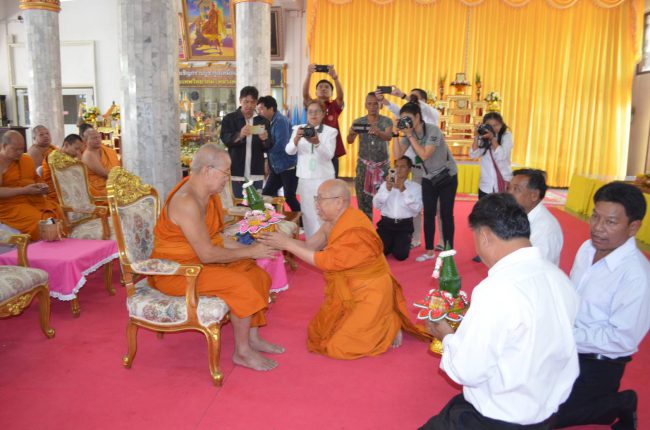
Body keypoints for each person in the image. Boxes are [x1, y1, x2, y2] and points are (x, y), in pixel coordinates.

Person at [422, 193, 580, 430]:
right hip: (543, 412)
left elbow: (467, 370)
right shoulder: (559, 279)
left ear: (485, 236)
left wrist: (446, 335)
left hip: (497, 417)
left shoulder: (497, 289)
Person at [258, 179, 429, 359]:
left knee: (339, 347)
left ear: (339, 202)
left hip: (370, 290)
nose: (316, 204)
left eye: (320, 199)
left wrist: (287, 244)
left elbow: (327, 261)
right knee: (320, 332)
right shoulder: (332, 222)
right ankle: (375, 319)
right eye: (316, 198)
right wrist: (279, 240)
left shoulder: (354, 228)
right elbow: (309, 246)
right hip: (349, 288)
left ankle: (390, 322)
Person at [149, 144, 282, 371]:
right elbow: (207, 253)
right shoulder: (186, 201)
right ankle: (242, 352)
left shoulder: (208, 196)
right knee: (241, 284)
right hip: (176, 272)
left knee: (255, 272)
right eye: (226, 172)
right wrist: (250, 251)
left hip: (198, 262)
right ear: (207, 170)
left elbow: (216, 238)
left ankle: (253, 338)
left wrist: (252, 249)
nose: (227, 179)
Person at [554, 182, 650, 430]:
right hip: (566, 349)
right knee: (519, 397)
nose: (597, 227)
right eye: (595, 216)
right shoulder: (587, 249)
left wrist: (565, 335)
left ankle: (619, 403)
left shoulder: (637, 276)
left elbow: (622, 340)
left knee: (542, 418)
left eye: (610, 222)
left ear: (633, 227)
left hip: (598, 364)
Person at [394, 103, 458, 262]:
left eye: (408, 118)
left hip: (447, 176)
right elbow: (397, 155)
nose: (406, 122)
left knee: (446, 214)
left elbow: (424, 154)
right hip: (428, 177)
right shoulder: (409, 134)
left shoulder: (433, 130)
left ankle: (448, 252)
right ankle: (429, 252)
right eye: (403, 119)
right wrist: (395, 135)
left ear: (417, 116)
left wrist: (409, 135)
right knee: (428, 214)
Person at [377, 86, 440, 249]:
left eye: (415, 99)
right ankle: (415, 239)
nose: (411, 101)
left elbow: (415, 108)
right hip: (417, 169)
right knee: (415, 204)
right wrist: (385, 102)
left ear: (424, 102)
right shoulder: (408, 125)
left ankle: (441, 241)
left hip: (435, 171)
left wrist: (404, 95)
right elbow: (399, 112)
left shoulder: (432, 118)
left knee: (437, 208)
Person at [285, 100, 337, 239]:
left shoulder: (330, 132)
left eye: (317, 112)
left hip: (324, 177)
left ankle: (325, 239)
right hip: (305, 177)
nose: (313, 115)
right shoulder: (298, 129)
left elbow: (329, 155)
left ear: (323, 114)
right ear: (306, 114)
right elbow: (289, 151)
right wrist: (296, 140)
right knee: (307, 210)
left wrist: (317, 143)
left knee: (324, 210)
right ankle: (311, 239)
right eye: (310, 112)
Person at [0, 131, 63, 240]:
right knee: (41, 222)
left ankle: (62, 246)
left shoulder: (26, 159)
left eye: (21, 149)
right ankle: (44, 249)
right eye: (16, 149)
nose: (20, 152)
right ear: (4, 146)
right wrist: (24, 190)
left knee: (57, 211)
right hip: (11, 206)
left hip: (34, 199)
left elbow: (35, 178)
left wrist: (42, 186)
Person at [469, 112, 513, 262]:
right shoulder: (483, 136)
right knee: (484, 218)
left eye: (496, 125)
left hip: (503, 182)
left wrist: (493, 139)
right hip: (486, 185)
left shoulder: (506, 136)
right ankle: (485, 249)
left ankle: (504, 249)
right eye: (490, 125)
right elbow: (473, 154)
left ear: (501, 124)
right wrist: (477, 136)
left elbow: (502, 156)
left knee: (503, 217)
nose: (493, 128)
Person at [347, 92, 393, 220]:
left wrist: (379, 133)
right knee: (363, 204)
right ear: (365, 105)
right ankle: (366, 229)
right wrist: (351, 133)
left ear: (380, 105)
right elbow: (349, 141)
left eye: (375, 104)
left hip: (383, 168)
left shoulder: (387, 121)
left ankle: (387, 228)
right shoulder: (359, 122)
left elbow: (389, 137)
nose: (372, 107)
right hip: (364, 167)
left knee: (387, 201)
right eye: (370, 104)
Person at [220, 86, 273, 198]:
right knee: (238, 203)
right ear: (240, 100)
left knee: (256, 204)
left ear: (256, 102)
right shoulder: (230, 119)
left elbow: (268, 146)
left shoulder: (263, 121)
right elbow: (225, 139)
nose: (249, 105)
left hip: (256, 171)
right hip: (236, 171)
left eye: (252, 102)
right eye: (246, 102)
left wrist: (264, 139)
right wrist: (239, 135)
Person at [507, 169, 563, 265]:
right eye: (509, 188)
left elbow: (537, 268)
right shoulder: (519, 214)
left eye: (516, 189)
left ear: (534, 195)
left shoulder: (546, 230)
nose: (509, 194)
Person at [373, 156, 422, 261]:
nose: (399, 169)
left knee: (401, 256)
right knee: (380, 252)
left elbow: (417, 209)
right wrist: (387, 190)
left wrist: (403, 190)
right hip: (386, 224)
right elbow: (376, 205)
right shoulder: (385, 185)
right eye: (396, 166)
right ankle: (389, 244)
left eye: (403, 167)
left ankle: (396, 243)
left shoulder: (415, 187)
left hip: (404, 226)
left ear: (409, 169)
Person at [257, 95, 300, 212]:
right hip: (277, 167)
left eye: (261, 109)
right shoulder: (270, 121)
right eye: (258, 109)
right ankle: (276, 217)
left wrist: (265, 152)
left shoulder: (280, 121)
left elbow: (281, 144)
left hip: (287, 166)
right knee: (268, 194)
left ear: (271, 109)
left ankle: (302, 220)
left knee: (289, 197)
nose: (259, 112)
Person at [302, 64, 345, 177]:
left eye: (327, 87)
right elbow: (305, 95)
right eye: (320, 87)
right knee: (313, 179)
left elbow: (341, 96)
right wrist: (309, 74)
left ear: (331, 93)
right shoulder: (312, 104)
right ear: (316, 92)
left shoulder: (334, 106)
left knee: (331, 181)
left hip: (331, 150)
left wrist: (335, 78)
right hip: (313, 148)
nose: (323, 89)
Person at [41, 133, 84, 206]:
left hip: (72, 191)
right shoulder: (54, 155)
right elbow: (64, 175)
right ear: (66, 145)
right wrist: (78, 162)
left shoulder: (70, 157)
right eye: (76, 149)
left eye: (80, 150)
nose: (78, 153)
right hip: (57, 195)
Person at [80, 126, 121, 199]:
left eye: (99, 137)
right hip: (99, 188)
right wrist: (122, 179)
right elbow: (104, 173)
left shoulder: (105, 150)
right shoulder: (88, 155)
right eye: (94, 138)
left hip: (111, 181)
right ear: (85, 140)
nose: (98, 140)